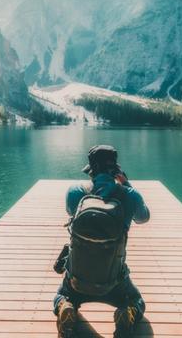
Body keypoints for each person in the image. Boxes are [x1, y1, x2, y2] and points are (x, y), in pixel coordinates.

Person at [53, 145, 150, 338]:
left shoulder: (74, 193)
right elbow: (143, 217)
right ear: (115, 169)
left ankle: (66, 305)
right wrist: (127, 184)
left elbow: (71, 213)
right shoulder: (129, 195)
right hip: (114, 280)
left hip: (76, 279)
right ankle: (127, 312)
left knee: (60, 296)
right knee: (137, 300)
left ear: (91, 169)